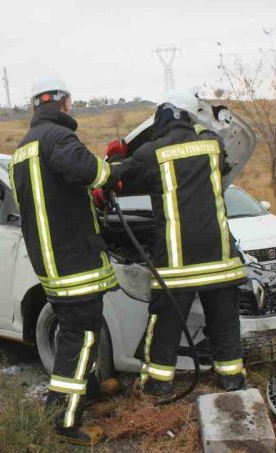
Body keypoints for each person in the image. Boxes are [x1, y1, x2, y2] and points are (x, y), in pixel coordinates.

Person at [106, 88, 248, 397]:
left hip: (176, 265)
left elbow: (118, 179)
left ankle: (159, 383)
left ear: (162, 117)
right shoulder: (212, 145)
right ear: (188, 116)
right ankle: (233, 379)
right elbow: (221, 164)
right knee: (225, 322)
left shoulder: (150, 153)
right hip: (220, 260)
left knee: (166, 326)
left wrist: (118, 156)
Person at [9, 77, 117, 446]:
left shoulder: (22, 150)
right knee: (80, 334)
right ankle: (65, 421)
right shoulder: (59, 139)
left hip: (50, 261)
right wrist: (112, 170)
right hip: (74, 260)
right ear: (66, 103)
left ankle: (86, 390)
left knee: (79, 329)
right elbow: (91, 172)